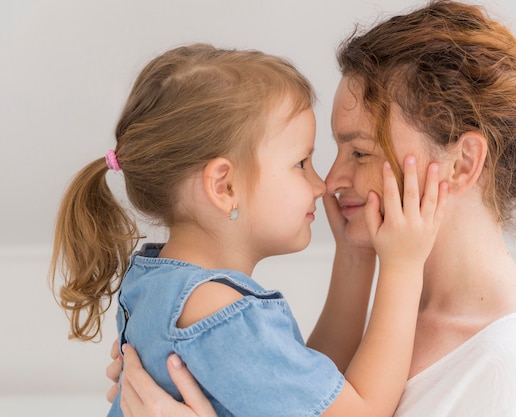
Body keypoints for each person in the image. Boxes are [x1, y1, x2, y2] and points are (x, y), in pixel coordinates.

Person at [106, 1, 516, 416]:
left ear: (461, 163)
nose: (330, 182)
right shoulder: (392, 323)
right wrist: (356, 258)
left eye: (360, 152)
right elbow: (316, 385)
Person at [50, 42, 448, 417]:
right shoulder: (221, 314)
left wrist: (355, 257)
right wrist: (403, 266)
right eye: (301, 163)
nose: (322, 184)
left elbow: (315, 390)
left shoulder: (156, 285)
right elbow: (358, 411)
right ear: (225, 186)